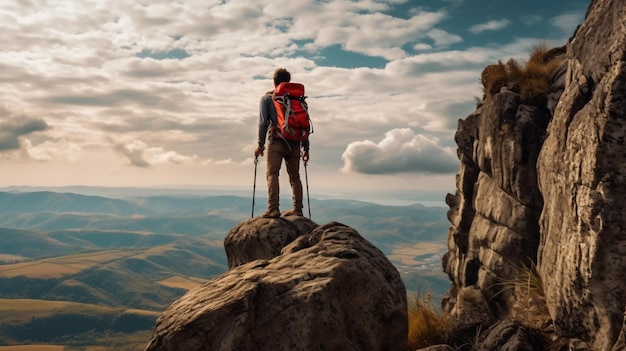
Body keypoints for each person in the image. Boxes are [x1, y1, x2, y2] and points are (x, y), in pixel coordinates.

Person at [254, 68, 310, 218]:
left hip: (276, 141)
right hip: (295, 142)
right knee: (295, 176)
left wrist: (260, 146)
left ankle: (273, 208)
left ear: (274, 81)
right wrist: (306, 148)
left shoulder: (267, 99)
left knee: (272, 173)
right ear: (288, 82)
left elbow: (262, 123)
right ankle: (298, 210)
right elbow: (304, 124)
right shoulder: (297, 100)